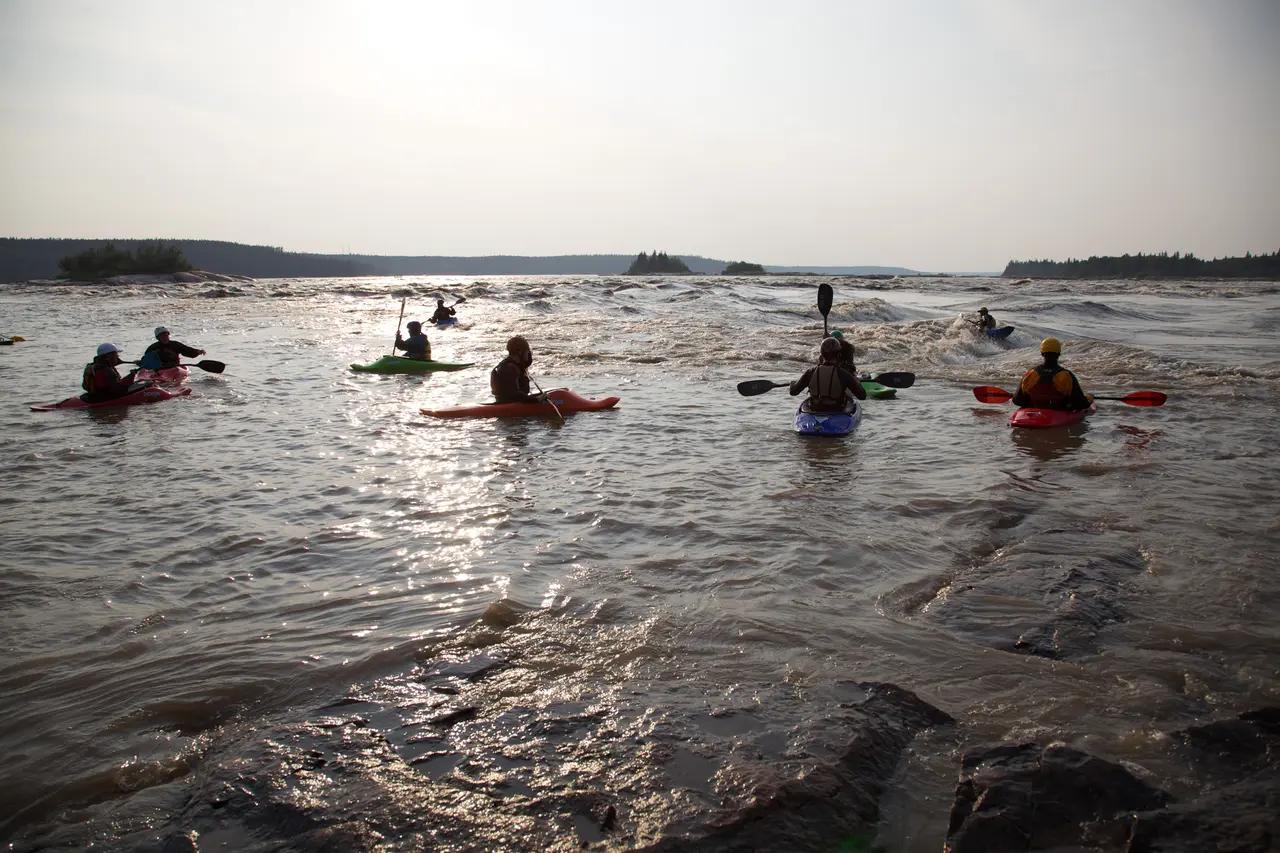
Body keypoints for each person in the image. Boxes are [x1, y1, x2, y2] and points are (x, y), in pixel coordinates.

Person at [1012, 338, 1091, 411]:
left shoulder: (1031, 373)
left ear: (1042, 353)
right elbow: (1082, 404)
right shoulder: (1066, 375)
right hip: (1059, 411)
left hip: (1034, 410)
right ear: (1059, 353)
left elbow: (1017, 401)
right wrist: (1089, 398)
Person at [789, 337, 866, 411]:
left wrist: (792, 384)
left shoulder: (810, 372)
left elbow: (793, 392)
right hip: (836, 409)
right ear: (839, 355)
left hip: (815, 408)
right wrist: (856, 381)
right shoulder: (843, 374)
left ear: (821, 355)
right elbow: (862, 396)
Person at [490, 335, 546, 403]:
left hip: (513, 401)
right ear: (519, 352)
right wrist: (536, 400)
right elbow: (513, 394)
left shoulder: (516, 365)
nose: (528, 353)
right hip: (509, 404)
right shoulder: (508, 368)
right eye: (527, 350)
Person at [139, 326, 205, 369]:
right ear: (158, 338)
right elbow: (147, 359)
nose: (165, 337)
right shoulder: (153, 347)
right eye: (162, 336)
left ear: (168, 335)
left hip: (174, 367)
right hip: (159, 368)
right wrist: (141, 362)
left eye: (166, 335)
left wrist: (198, 352)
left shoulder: (175, 345)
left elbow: (187, 350)